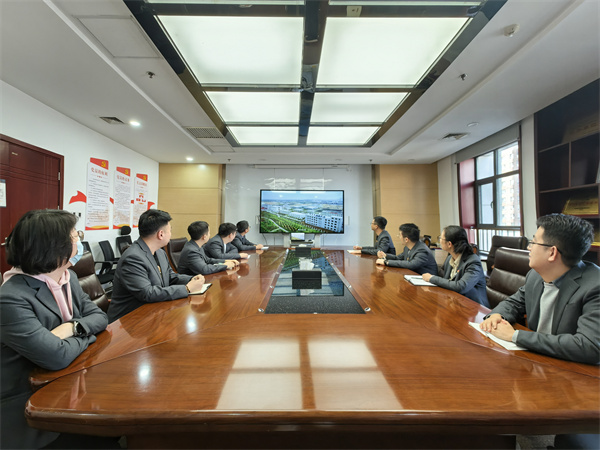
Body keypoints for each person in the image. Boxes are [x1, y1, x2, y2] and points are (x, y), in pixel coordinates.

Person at [0, 210, 108, 449]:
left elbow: (100, 317)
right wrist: (86, 334)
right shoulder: (11, 298)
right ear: (53, 247)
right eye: (75, 236)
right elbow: (55, 356)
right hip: (30, 407)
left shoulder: (67, 277)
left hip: (70, 382)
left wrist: (72, 327)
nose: (79, 242)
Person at [481, 214, 599, 365]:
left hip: (573, 370)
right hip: (537, 360)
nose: (529, 247)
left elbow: (589, 347)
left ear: (552, 252)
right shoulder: (535, 276)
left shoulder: (594, 286)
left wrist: (515, 336)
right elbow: (515, 302)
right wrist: (497, 315)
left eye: (533, 242)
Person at [107, 209, 205, 323]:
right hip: (129, 321)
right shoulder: (133, 257)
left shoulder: (160, 252)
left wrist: (192, 279)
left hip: (153, 313)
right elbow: (147, 293)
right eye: (170, 230)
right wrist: (186, 289)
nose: (171, 234)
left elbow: (170, 276)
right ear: (161, 234)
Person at [422, 225, 489, 307]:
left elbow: (461, 286)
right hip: (455, 301)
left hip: (474, 307)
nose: (439, 241)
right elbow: (445, 279)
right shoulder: (450, 258)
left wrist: (431, 278)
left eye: (441, 238)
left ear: (449, 244)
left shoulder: (473, 261)